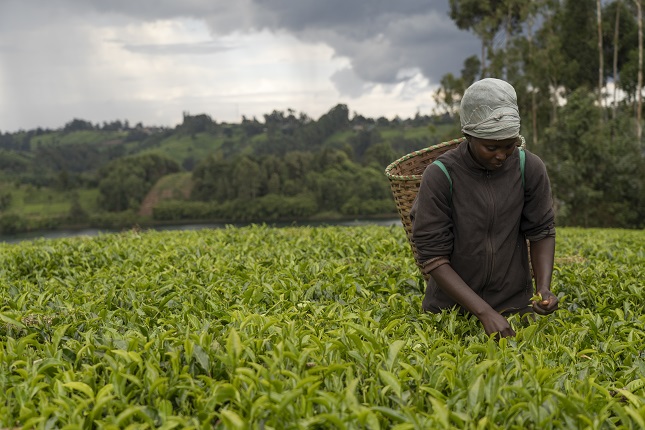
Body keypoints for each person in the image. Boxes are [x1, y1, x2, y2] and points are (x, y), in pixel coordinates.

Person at [409, 78, 558, 338]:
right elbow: (433, 258)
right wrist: (484, 312)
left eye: (509, 145)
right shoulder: (441, 175)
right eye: (491, 147)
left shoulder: (529, 168)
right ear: (469, 136)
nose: (501, 155)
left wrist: (543, 288)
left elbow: (542, 231)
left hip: (514, 311)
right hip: (448, 314)